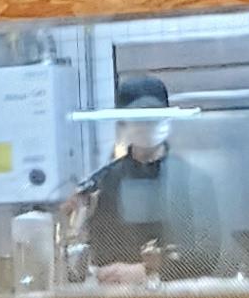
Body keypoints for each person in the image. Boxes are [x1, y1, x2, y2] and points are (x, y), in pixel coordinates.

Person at [71, 74, 217, 280]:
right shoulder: (104, 183)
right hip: (122, 296)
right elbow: (97, 250)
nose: (147, 125)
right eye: (139, 119)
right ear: (123, 123)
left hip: (181, 297)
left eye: (154, 118)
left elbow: (207, 255)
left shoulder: (195, 180)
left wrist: (148, 271)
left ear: (167, 118)